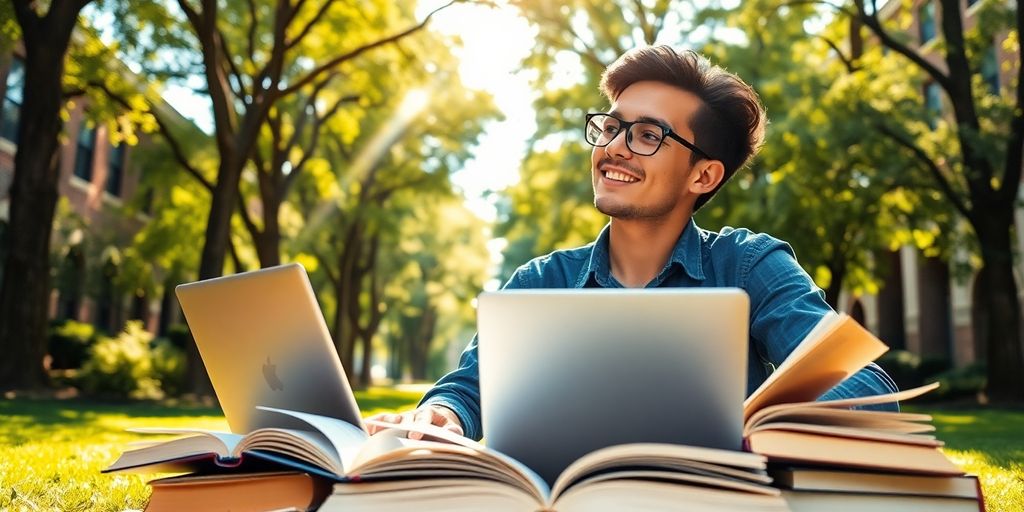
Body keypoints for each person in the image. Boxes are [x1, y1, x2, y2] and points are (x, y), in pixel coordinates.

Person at [368, 45, 899, 441]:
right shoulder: (539, 282)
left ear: (704, 176)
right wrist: (445, 413)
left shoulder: (749, 264)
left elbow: (865, 390)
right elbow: (469, 386)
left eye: (648, 136)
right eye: (610, 128)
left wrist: (734, 432)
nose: (614, 149)